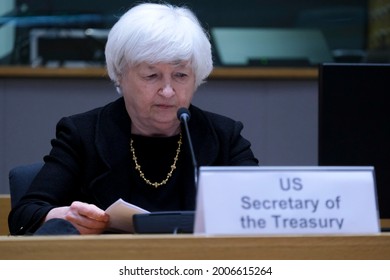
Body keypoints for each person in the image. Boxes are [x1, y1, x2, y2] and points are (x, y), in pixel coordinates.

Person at [8, 2, 259, 235]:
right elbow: (24, 214)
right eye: (151, 75)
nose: (168, 90)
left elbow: (261, 211)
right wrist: (62, 215)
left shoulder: (224, 137)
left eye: (181, 75)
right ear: (120, 74)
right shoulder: (83, 135)